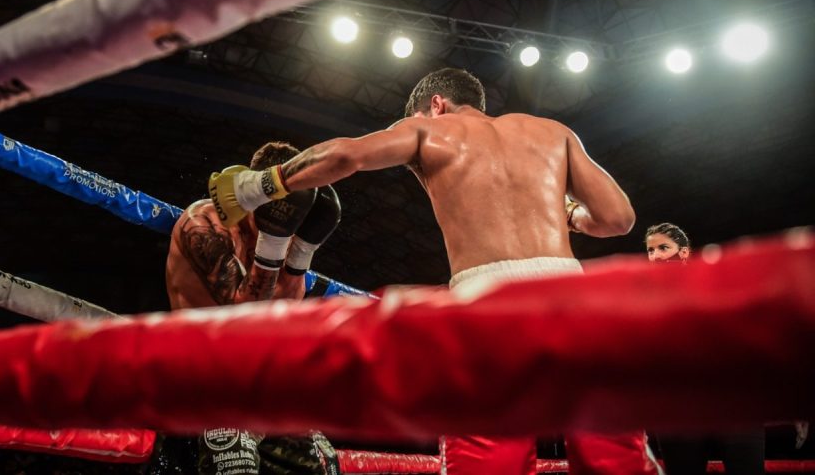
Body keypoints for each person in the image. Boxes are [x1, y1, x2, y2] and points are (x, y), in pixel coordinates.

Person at [208, 67, 658, 475]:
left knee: (487, 464)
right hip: (577, 304)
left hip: (490, 308)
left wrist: (259, 186)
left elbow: (346, 156)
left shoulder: (428, 129)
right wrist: (569, 214)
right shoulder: (553, 132)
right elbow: (618, 219)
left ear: (436, 104)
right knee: (617, 461)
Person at [150, 141, 343, 475]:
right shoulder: (204, 225)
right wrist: (274, 242)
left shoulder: (289, 234)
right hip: (199, 382)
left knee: (323, 463)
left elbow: (283, 313)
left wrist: (301, 251)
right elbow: (245, 315)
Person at [644, 223, 765, 475]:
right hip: (679, 407)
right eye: (650, 250)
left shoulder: (719, 282)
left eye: (663, 248)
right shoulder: (643, 297)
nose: (656, 256)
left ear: (684, 252)